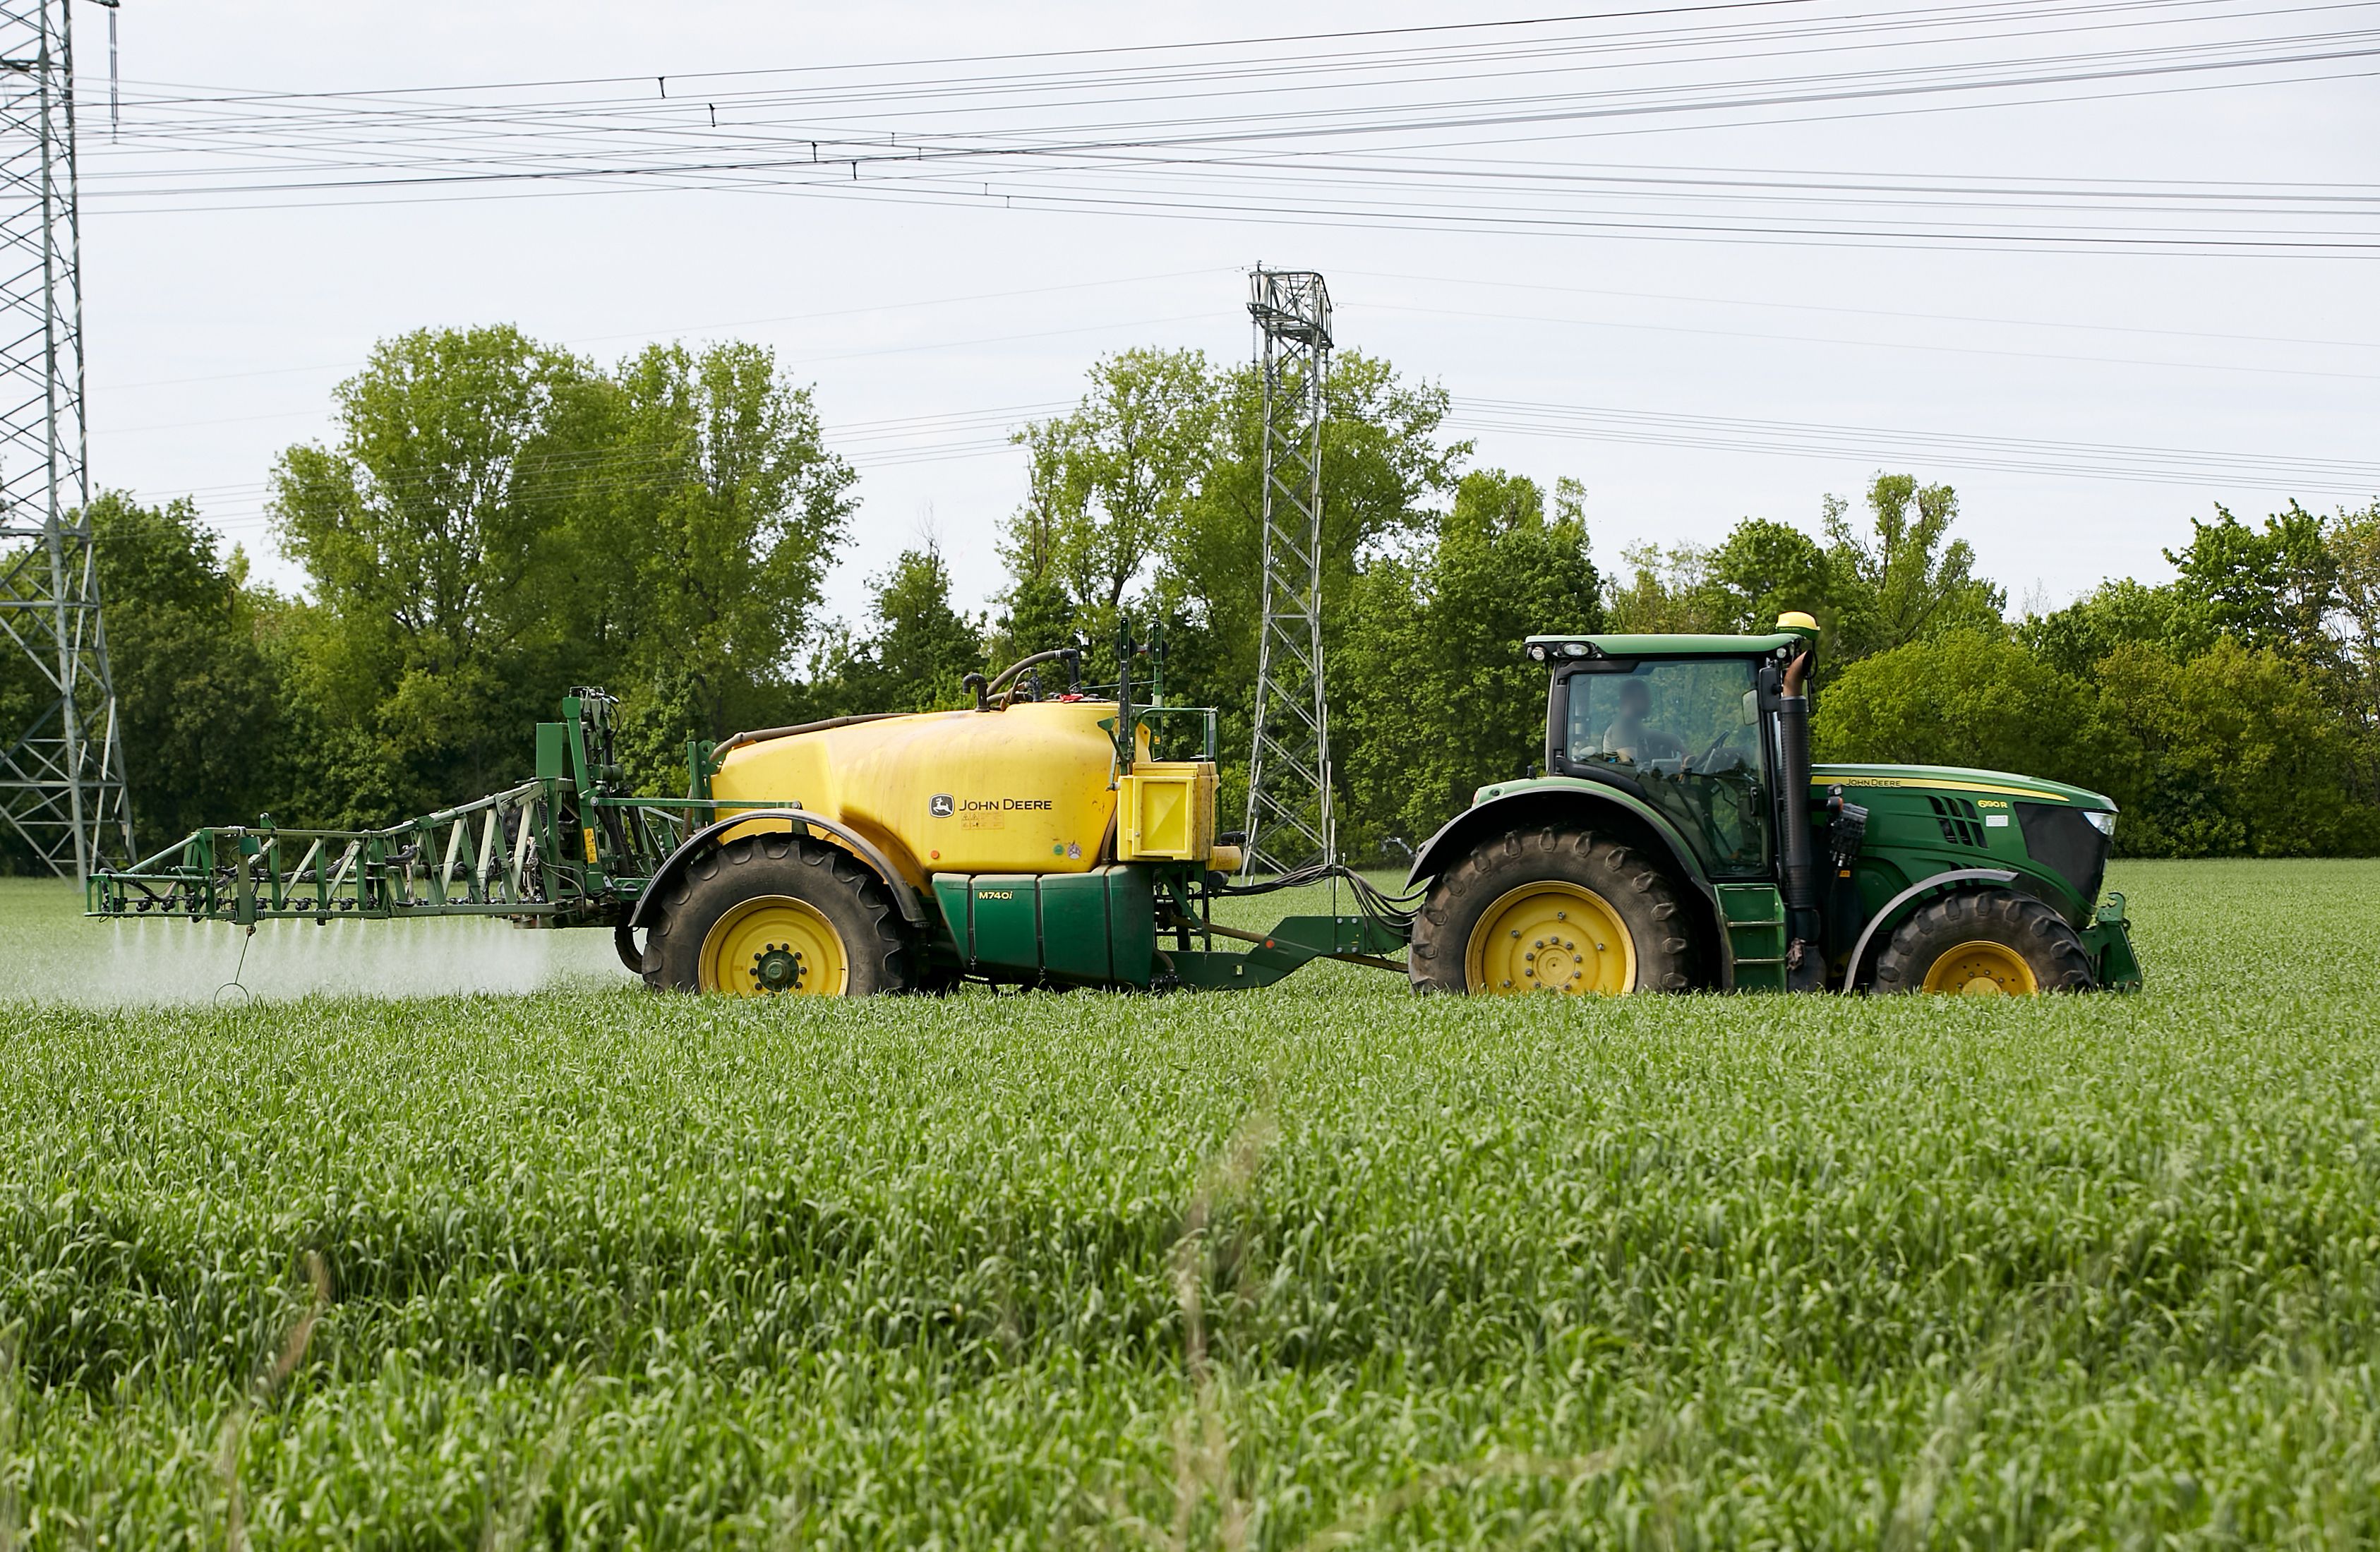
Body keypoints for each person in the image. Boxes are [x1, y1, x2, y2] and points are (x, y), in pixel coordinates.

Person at [1601, 677, 1683, 764]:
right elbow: (1631, 766)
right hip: (1622, 777)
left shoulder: (1636, 728)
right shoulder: (1623, 726)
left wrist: (1682, 751)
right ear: (1628, 699)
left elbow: (1670, 738)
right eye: (1644, 697)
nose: (1650, 702)